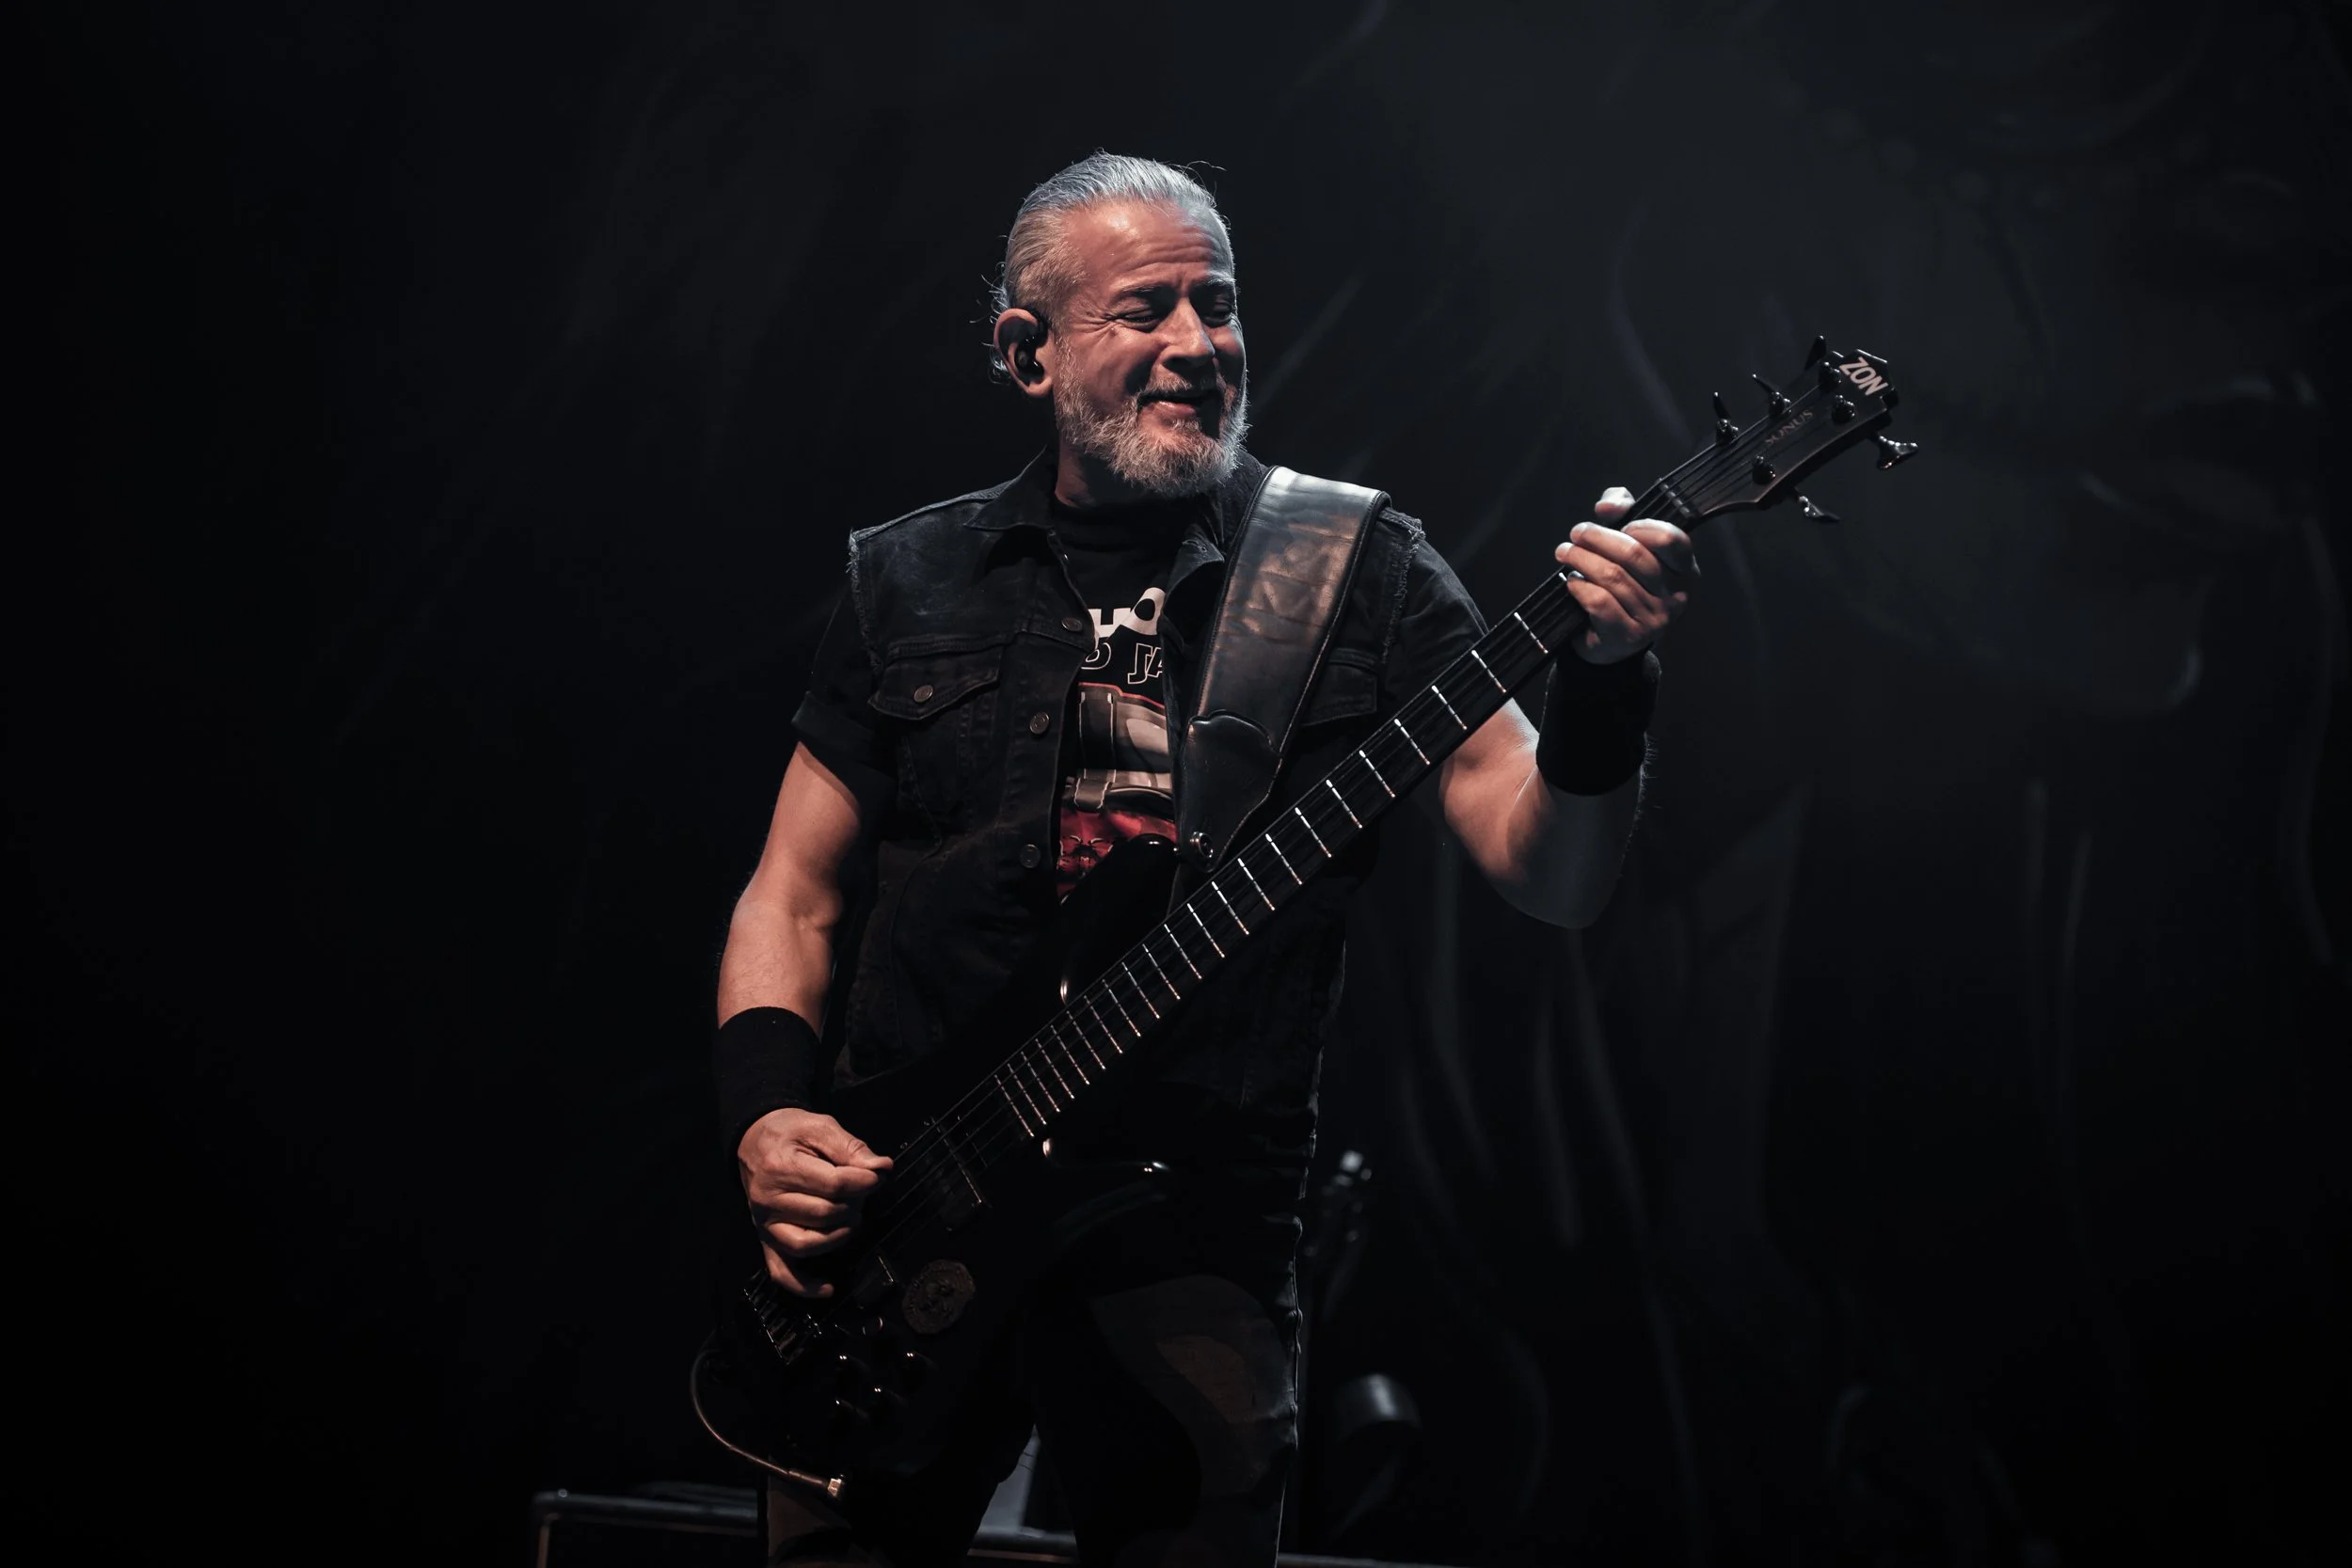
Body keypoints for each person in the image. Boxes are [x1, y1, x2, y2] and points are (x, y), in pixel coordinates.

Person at [713, 153, 1696, 1567]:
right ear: (1030, 352)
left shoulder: (1357, 569)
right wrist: (765, 1115)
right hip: (906, 1209)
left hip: (1194, 1238)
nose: (1197, 343)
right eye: (1146, 310)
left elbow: (1552, 872)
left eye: (1219, 304)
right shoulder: (909, 576)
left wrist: (1604, 685)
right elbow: (793, 895)